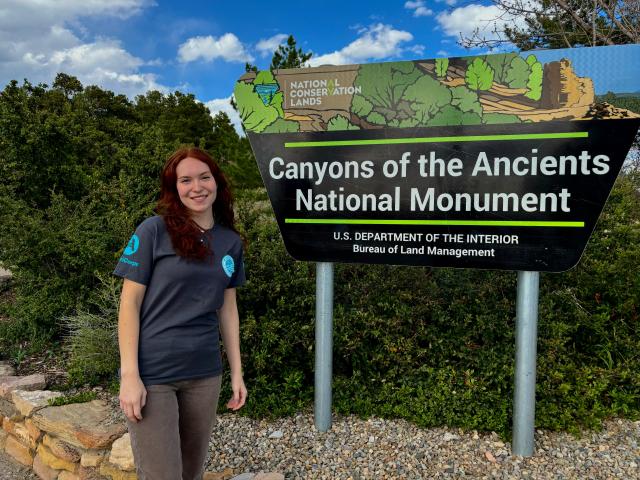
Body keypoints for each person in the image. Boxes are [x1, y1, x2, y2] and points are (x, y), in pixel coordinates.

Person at [114, 147, 247, 480]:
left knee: (191, 472)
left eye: (204, 177)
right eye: (185, 180)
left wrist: (237, 372)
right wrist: (130, 375)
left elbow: (227, 309)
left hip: (204, 374)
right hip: (154, 374)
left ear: (217, 181)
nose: (196, 187)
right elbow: (128, 304)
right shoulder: (153, 231)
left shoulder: (230, 242)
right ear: (174, 189)